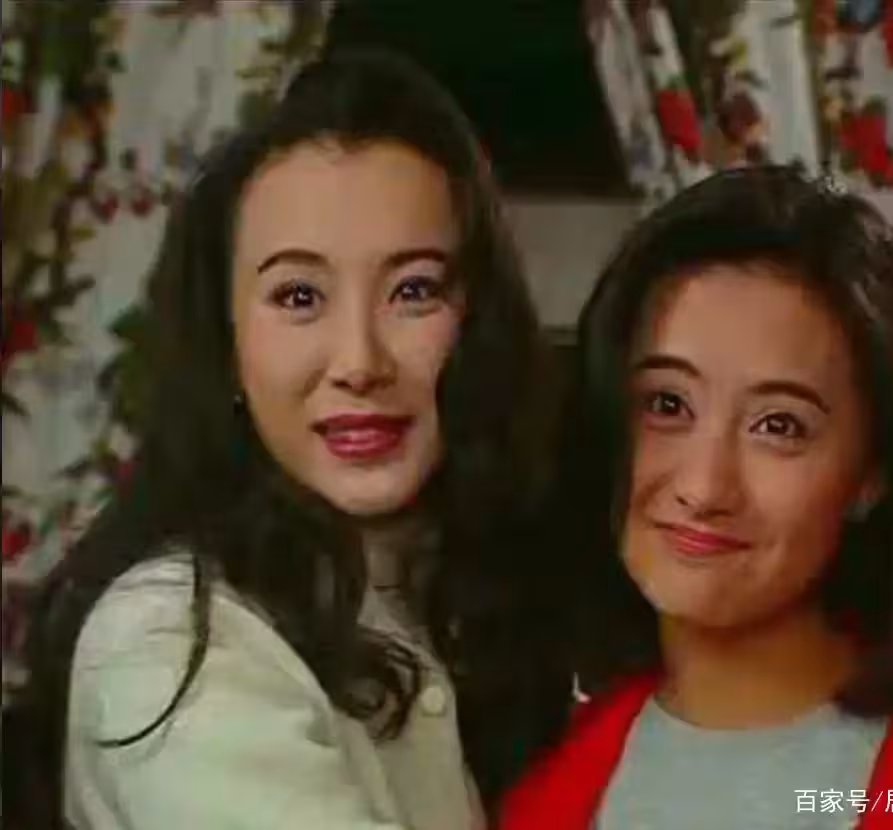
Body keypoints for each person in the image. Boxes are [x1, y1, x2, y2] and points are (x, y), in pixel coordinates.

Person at [10, 47, 568, 830]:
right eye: (299, 296)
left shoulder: (471, 595)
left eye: (413, 290)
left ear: (477, 321)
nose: (360, 362)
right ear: (228, 343)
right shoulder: (171, 636)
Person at [500, 166, 893, 829]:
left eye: (779, 426)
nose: (704, 486)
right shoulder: (542, 790)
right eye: (668, 404)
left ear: (872, 474)